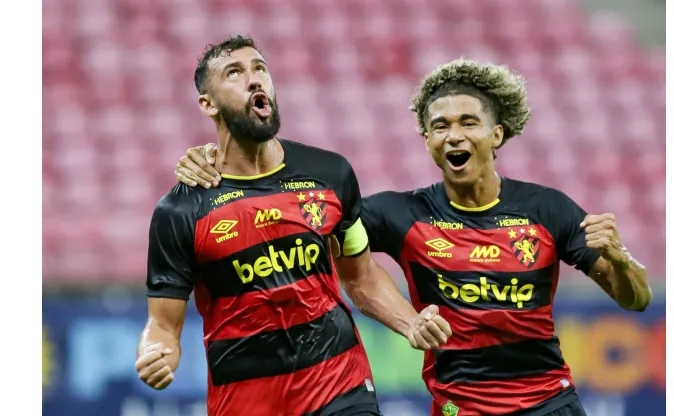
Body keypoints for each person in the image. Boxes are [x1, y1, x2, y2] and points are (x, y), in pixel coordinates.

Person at [175, 58, 653, 416]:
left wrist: (622, 257)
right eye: (439, 126)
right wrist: (219, 157)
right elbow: (304, 203)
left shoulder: (547, 209)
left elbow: (635, 300)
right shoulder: (401, 214)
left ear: (498, 134)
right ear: (426, 140)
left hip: (549, 402)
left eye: (468, 123)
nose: (453, 135)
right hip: (458, 407)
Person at [134, 35, 453, 416]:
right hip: (247, 400)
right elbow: (162, 324)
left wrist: (410, 322)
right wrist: (157, 352)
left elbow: (362, 277)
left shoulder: (330, 174)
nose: (255, 79)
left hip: (340, 385)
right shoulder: (180, 210)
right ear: (208, 104)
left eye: (260, 69)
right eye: (235, 73)